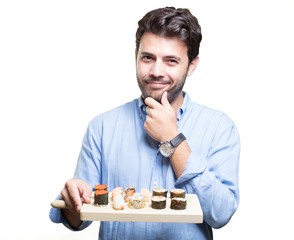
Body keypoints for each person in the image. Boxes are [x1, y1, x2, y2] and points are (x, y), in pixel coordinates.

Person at [49, 7, 240, 240]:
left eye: (171, 61)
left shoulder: (219, 127)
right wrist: (73, 202)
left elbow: (221, 214)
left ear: (191, 65)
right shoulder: (101, 127)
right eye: (148, 57)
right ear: (136, 56)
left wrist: (172, 138)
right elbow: (81, 216)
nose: (156, 71)